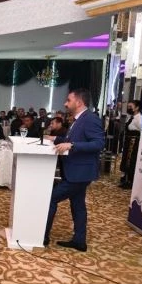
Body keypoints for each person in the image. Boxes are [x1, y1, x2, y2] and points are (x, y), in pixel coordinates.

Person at [43, 88, 105, 252]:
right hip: (75, 172)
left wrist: (72, 145)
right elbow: (72, 139)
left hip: (79, 173)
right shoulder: (78, 119)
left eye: (68, 100)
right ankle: (79, 241)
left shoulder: (90, 119)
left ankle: (42, 236)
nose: (65, 103)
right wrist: (55, 138)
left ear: (79, 102)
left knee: (50, 199)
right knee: (78, 205)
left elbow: (98, 143)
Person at [119, 99, 142, 189]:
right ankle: (125, 178)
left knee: (131, 160)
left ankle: (130, 180)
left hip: (134, 141)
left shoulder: (139, 118)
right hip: (128, 140)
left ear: (137, 108)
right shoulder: (131, 117)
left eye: (130, 107)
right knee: (126, 159)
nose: (129, 108)